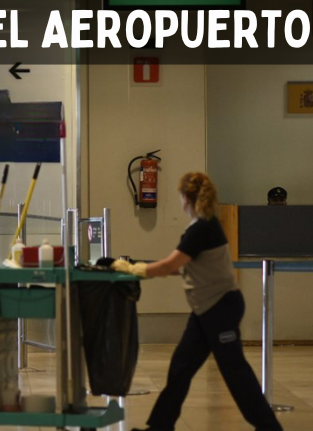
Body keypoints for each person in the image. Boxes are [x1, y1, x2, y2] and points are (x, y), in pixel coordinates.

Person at [114, 172, 283, 431]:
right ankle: (160, 426)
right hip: (206, 309)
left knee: (235, 372)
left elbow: (171, 264)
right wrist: (139, 269)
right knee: (181, 367)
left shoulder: (204, 228)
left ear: (186, 198)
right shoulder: (201, 226)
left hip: (220, 308)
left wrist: (133, 269)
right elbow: (178, 267)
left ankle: (269, 427)